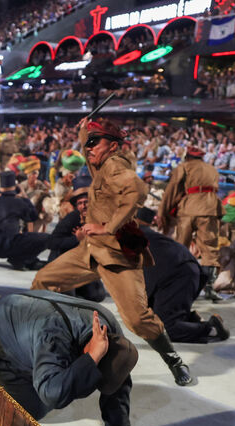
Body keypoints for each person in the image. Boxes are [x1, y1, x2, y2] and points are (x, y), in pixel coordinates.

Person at [32, 118, 193, 386]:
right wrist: (84, 127)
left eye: (96, 142)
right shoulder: (100, 163)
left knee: (138, 320)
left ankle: (174, 359)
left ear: (114, 146)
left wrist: (108, 227)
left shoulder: (114, 165)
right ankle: (58, 342)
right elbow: (87, 147)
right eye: (89, 142)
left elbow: (137, 190)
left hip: (117, 254)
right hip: (90, 250)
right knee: (44, 281)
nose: (89, 147)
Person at [0, 290, 144, 426]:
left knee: (71, 376)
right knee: (32, 409)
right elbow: (52, 394)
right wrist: (92, 358)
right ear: (93, 348)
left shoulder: (109, 329)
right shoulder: (54, 337)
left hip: (26, 312)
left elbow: (119, 378)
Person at [138, 208, 230, 344]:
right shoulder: (146, 234)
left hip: (178, 276)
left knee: (167, 329)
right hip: (186, 272)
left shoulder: (125, 236)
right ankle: (190, 319)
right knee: (156, 318)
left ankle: (211, 328)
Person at [158, 146, 222, 301]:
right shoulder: (212, 169)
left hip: (189, 209)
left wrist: (163, 211)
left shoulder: (184, 167)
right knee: (209, 249)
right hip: (209, 210)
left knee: (181, 246)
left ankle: (176, 285)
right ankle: (209, 288)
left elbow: (172, 190)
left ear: (187, 157)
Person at [0, 171, 48, 270]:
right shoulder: (17, 202)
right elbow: (33, 217)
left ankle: (24, 260)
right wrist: (24, 196)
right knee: (46, 238)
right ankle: (22, 259)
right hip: (8, 246)